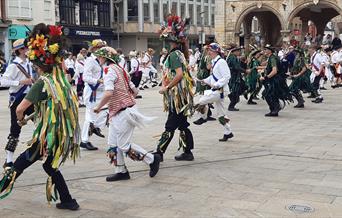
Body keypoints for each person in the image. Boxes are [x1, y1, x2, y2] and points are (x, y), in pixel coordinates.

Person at [0, 23, 80, 210]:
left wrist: (20, 119)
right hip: (58, 135)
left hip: (47, 137)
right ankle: (68, 200)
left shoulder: (42, 83)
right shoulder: (60, 81)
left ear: (38, 63)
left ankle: (1, 187)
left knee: (21, 162)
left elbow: (20, 108)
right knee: (49, 166)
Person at [92, 46, 161, 181]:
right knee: (112, 143)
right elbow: (135, 91)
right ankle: (121, 171)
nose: (98, 58)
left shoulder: (108, 70)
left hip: (123, 112)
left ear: (105, 58)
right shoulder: (120, 69)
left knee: (123, 145)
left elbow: (109, 92)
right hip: (120, 111)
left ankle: (152, 159)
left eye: (99, 56)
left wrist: (99, 107)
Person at [154, 15, 195, 161]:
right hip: (181, 96)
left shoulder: (174, 55)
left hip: (178, 96)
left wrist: (167, 87)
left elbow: (178, 75)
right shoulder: (179, 53)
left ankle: (159, 153)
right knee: (183, 124)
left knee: (170, 125)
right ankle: (188, 152)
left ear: (171, 40)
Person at [0, 38, 34, 168]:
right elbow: (2, 82)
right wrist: (20, 82)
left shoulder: (29, 63)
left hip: (30, 98)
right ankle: (8, 160)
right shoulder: (14, 66)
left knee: (40, 121)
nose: (29, 50)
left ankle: (40, 149)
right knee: (15, 129)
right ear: (20, 50)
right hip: (18, 99)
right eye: (26, 48)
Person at [193, 43, 233, 141]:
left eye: (210, 50)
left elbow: (227, 76)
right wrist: (205, 80)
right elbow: (213, 76)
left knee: (202, 100)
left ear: (216, 51)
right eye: (208, 50)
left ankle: (204, 117)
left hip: (221, 90)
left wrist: (217, 85)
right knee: (221, 114)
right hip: (218, 90)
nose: (208, 52)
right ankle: (228, 132)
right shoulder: (215, 62)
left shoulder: (221, 62)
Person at [81, 39, 108, 150]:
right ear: (94, 49)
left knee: (105, 111)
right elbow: (85, 77)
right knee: (90, 116)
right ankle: (84, 140)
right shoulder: (90, 60)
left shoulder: (101, 60)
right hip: (91, 92)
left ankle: (95, 127)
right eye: (100, 47)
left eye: (103, 47)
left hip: (100, 92)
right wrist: (97, 81)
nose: (102, 49)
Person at [259, 44, 292, 117]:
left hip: (275, 80)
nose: (264, 51)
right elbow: (263, 64)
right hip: (275, 79)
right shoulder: (271, 57)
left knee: (268, 94)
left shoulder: (272, 58)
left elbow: (274, 71)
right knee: (271, 94)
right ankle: (274, 110)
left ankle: (275, 109)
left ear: (269, 51)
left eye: (266, 49)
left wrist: (265, 77)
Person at [226, 44, 247, 111]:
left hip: (236, 76)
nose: (239, 52)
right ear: (234, 51)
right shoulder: (232, 58)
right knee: (235, 91)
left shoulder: (234, 57)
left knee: (242, 87)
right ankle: (231, 105)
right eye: (238, 51)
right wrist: (245, 71)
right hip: (233, 77)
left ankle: (233, 100)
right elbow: (236, 67)